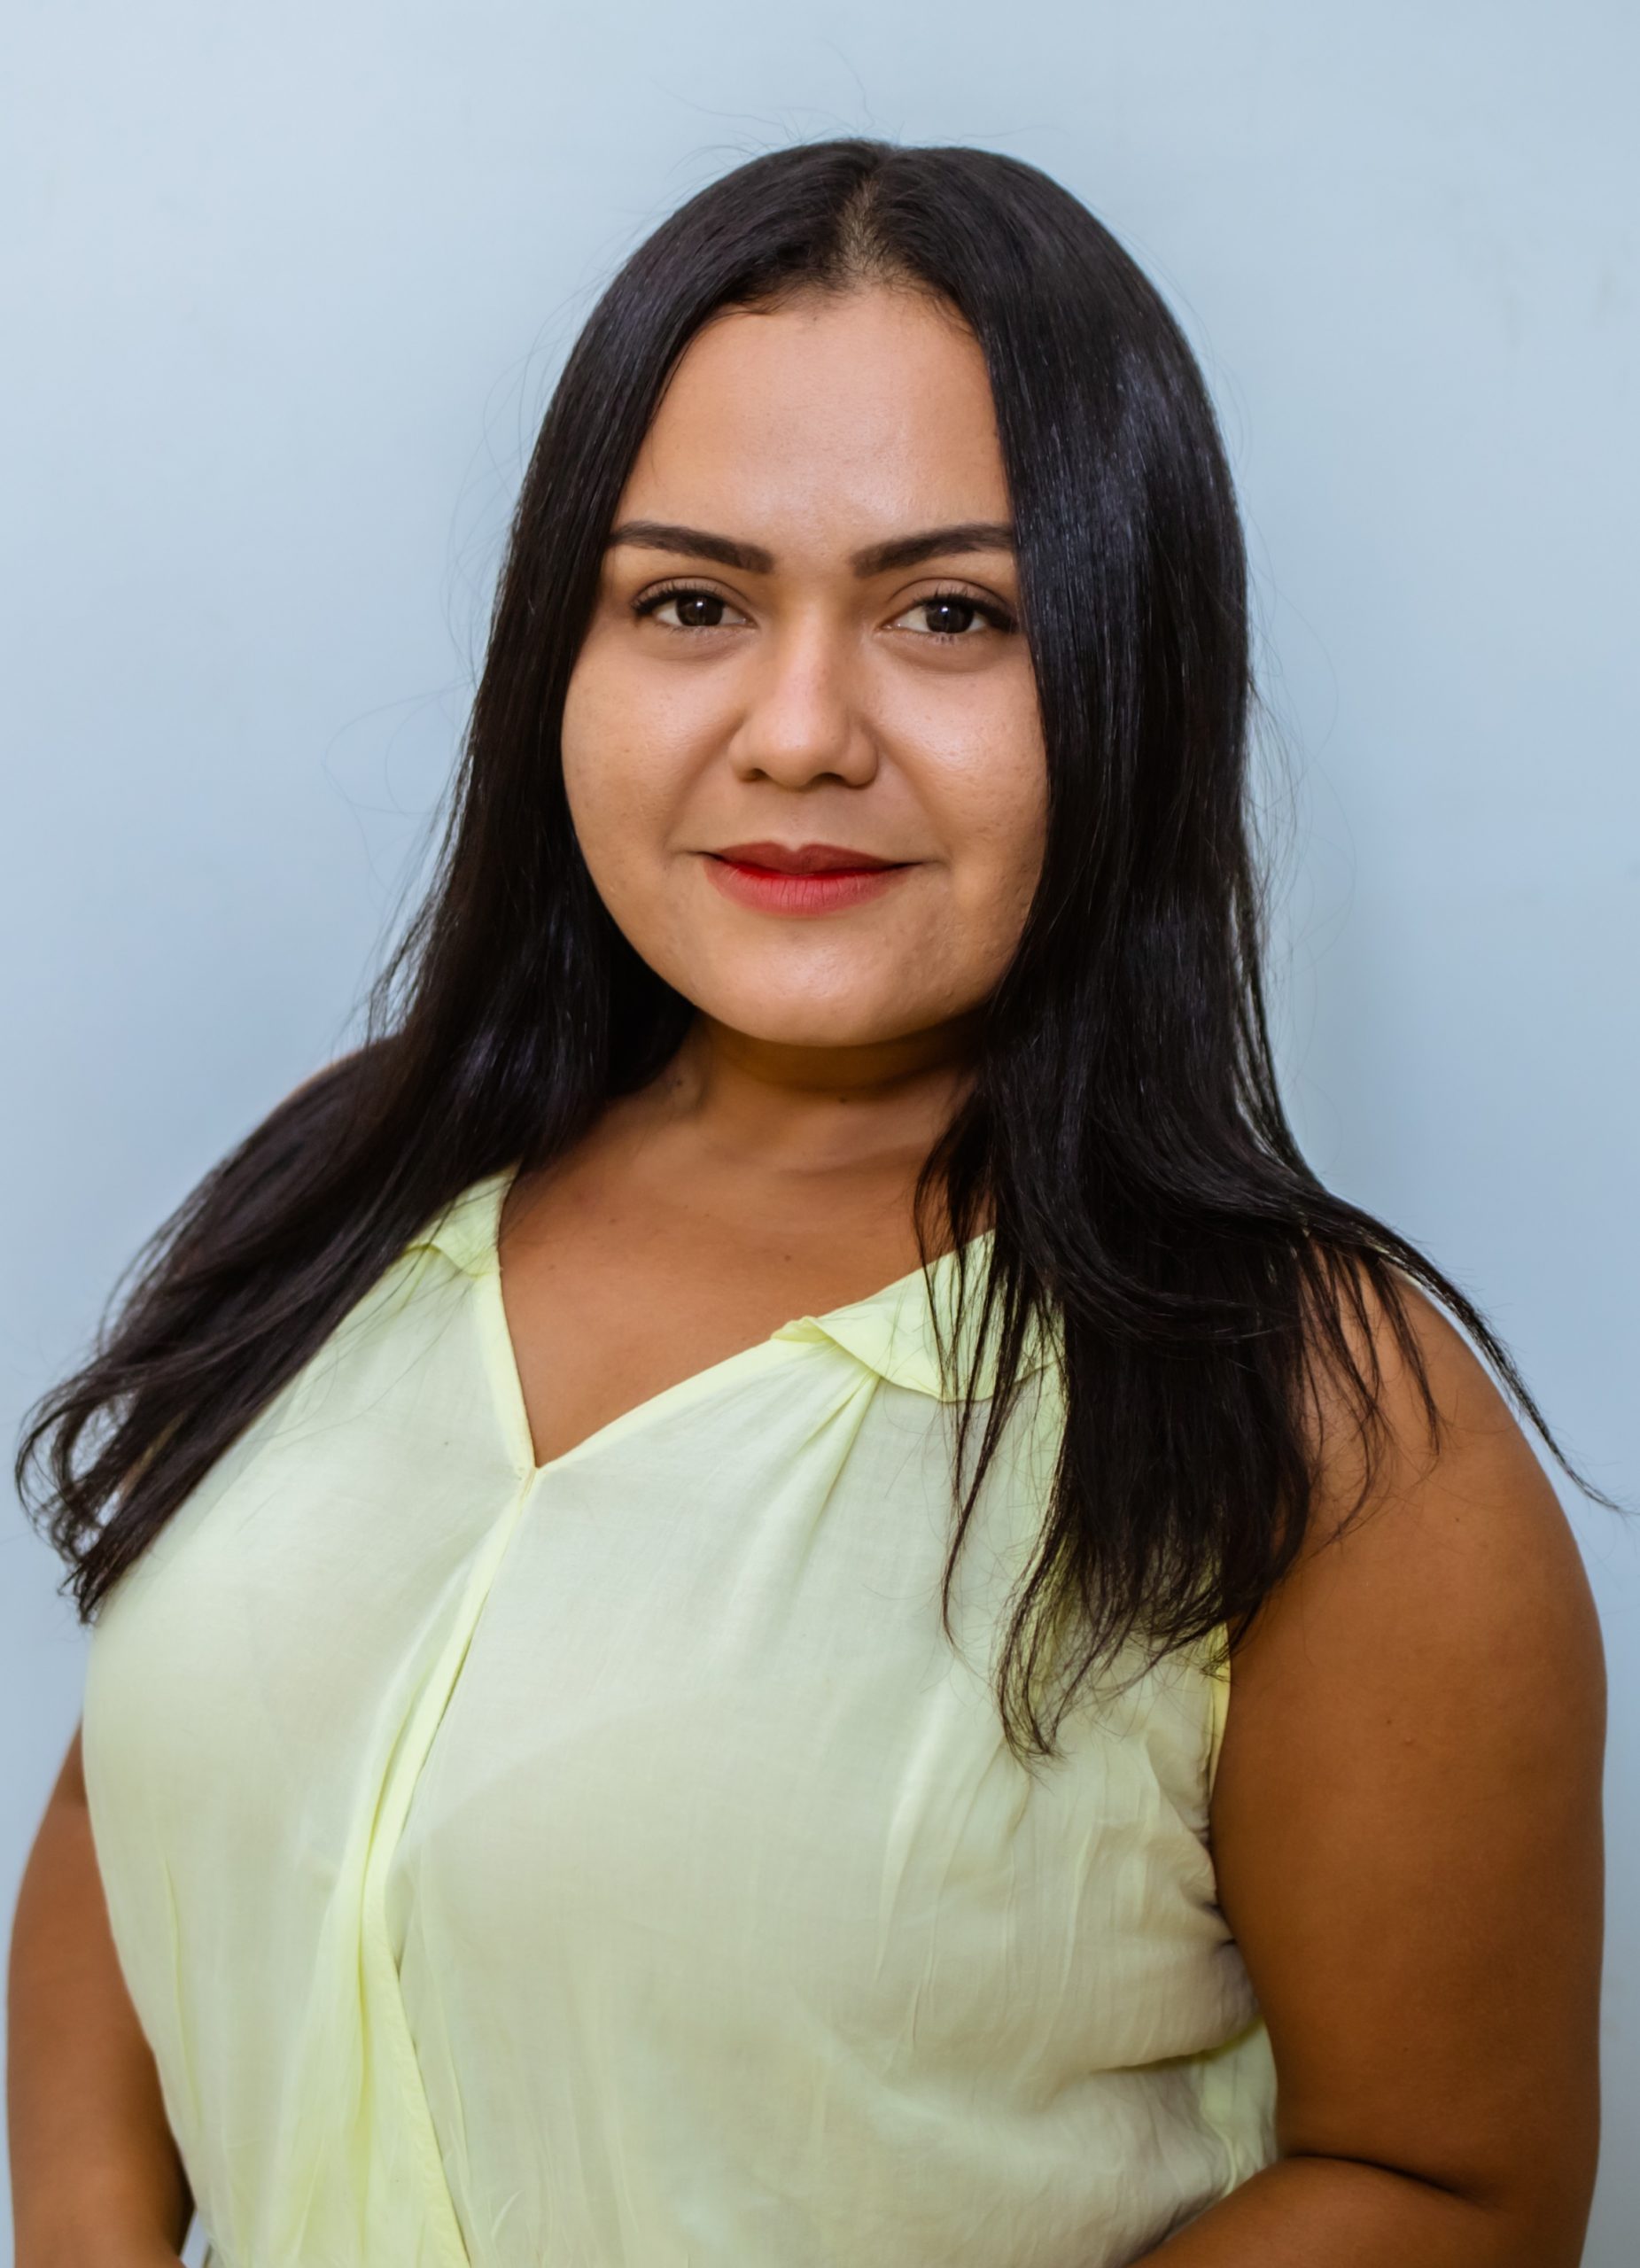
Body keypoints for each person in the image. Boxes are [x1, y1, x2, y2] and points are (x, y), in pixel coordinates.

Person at [7, 138, 1608, 2268]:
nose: (795, 732)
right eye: (690, 601)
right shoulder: (358, 1177)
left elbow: (1443, 2180)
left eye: (951, 614)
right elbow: (140, 1789)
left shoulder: (1324, 1425)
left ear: (1129, 670)